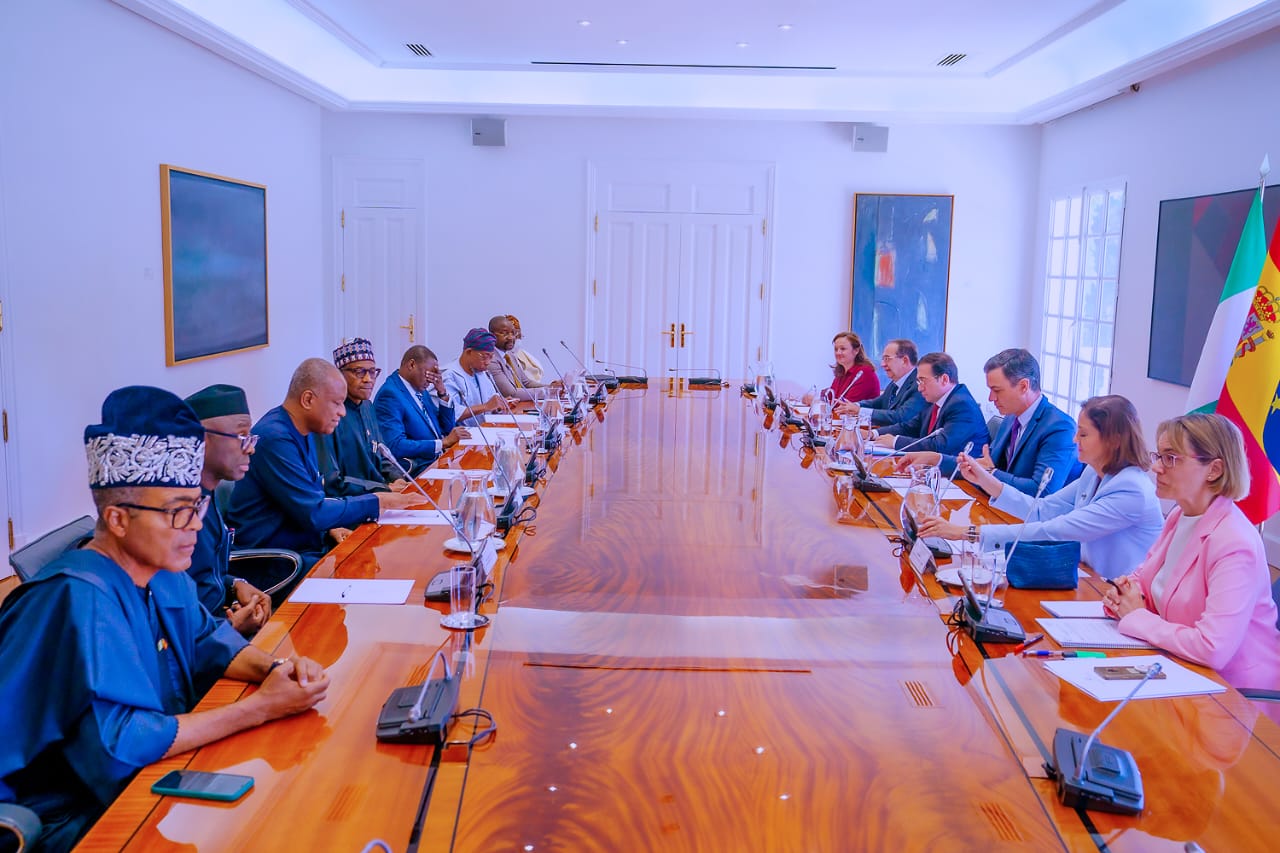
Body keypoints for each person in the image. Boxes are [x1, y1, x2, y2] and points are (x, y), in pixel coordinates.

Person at [0, 387, 329, 853]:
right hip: (78, 815)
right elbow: (121, 744)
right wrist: (260, 707)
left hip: (150, 777)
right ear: (117, 519)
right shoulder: (77, 599)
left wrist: (278, 670)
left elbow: (209, 639)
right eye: (177, 512)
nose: (194, 525)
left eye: (197, 506)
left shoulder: (163, 572)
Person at [1102, 413, 1280, 692]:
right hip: (1177, 667)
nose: (1156, 467)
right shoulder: (1180, 515)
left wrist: (1136, 616)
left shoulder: (1234, 542)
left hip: (1233, 694)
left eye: (1170, 458)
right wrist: (1124, 593)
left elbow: (1213, 648)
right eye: (1159, 456)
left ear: (1214, 470)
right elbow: (1146, 580)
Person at [919, 395, 1164, 580]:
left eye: (1083, 434)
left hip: (1111, 591)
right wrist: (985, 480)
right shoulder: (1094, 472)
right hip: (1087, 577)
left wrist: (967, 532)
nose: (1075, 440)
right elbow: (1042, 509)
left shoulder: (1130, 489)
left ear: (1114, 440)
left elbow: (1055, 530)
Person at [228, 358, 419, 562]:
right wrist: (378, 500)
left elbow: (306, 498)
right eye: (336, 403)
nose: (342, 412)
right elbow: (313, 512)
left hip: (304, 544)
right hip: (277, 560)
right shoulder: (276, 438)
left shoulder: (303, 430)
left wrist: (330, 528)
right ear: (308, 399)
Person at [897, 348, 1078, 496]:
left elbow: (1041, 492)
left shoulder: (1060, 428)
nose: (991, 398)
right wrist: (936, 459)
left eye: (997, 390)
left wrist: (990, 473)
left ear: (1024, 386)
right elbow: (983, 465)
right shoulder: (1011, 418)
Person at [184, 384, 269, 637]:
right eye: (242, 436)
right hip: (203, 644)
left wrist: (235, 584)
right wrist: (230, 629)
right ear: (201, 439)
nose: (251, 448)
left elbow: (205, 576)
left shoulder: (207, 494)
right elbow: (175, 612)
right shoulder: (179, 510)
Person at [314, 338, 405, 496]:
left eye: (372, 372)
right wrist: (382, 489)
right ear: (340, 375)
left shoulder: (368, 406)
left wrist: (397, 478)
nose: (368, 379)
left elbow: (382, 453)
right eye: (359, 372)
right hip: (353, 501)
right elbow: (331, 481)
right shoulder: (328, 415)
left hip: (381, 494)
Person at [375, 344, 470, 473]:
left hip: (439, 461)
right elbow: (395, 445)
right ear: (411, 365)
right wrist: (442, 443)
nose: (431, 381)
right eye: (428, 374)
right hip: (419, 469)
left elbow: (447, 428)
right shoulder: (390, 395)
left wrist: (442, 393)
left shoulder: (420, 389)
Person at [871, 352, 989, 456]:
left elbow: (940, 446)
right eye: (918, 381)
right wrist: (873, 434)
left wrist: (895, 442)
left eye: (923, 380)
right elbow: (909, 427)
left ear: (944, 379)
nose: (919, 388)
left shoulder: (962, 405)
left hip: (960, 472)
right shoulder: (935, 400)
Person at [834, 338, 926, 427]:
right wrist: (855, 405)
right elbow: (878, 402)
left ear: (904, 361)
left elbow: (900, 416)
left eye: (887, 359)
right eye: (883, 359)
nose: (883, 364)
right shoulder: (895, 384)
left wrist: (860, 411)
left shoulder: (919, 385)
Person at [442, 328, 508, 426]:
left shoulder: (481, 373)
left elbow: (491, 399)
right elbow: (451, 413)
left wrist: (500, 404)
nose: (488, 362)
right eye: (484, 357)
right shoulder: (449, 375)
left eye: (491, 357)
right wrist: (486, 406)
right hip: (463, 433)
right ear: (468, 352)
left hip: (485, 428)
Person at [488, 314, 559, 401]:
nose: (511, 338)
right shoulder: (491, 359)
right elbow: (511, 394)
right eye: (505, 333)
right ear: (491, 335)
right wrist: (547, 392)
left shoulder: (510, 355)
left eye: (513, 333)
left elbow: (526, 383)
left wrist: (552, 387)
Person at [805, 331, 879, 406]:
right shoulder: (841, 373)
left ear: (856, 350)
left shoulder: (864, 373)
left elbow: (845, 406)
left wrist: (816, 401)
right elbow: (830, 396)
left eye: (843, 349)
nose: (838, 353)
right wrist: (813, 397)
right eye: (836, 349)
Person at [508, 314, 545, 384]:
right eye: (515, 335)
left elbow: (528, 382)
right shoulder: (499, 357)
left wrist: (551, 387)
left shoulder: (523, 354)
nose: (517, 340)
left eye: (519, 336)